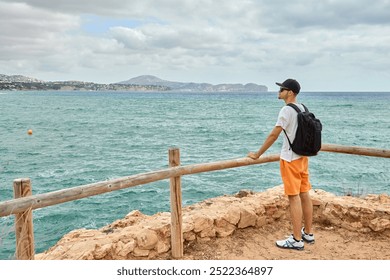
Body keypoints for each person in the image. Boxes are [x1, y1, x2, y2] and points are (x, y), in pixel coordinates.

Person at [247, 78, 315, 250]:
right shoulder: (303, 107)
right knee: (305, 194)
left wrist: (257, 154)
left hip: (290, 158)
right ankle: (308, 233)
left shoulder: (286, 110)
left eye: (282, 89)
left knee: (294, 197)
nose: (279, 92)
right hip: (303, 157)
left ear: (290, 92)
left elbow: (273, 135)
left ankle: (297, 240)